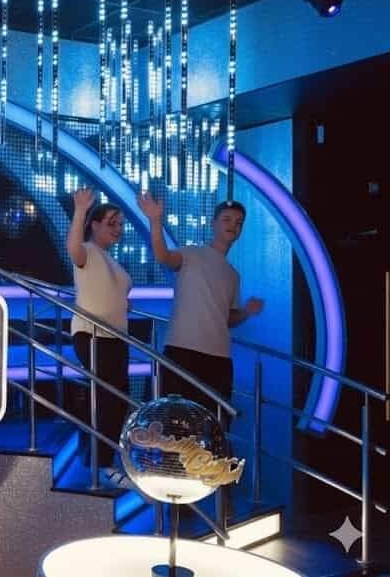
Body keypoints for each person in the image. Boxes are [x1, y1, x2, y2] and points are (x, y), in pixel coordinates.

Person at [137, 193, 264, 409]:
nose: (233, 226)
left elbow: (227, 318)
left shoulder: (233, 275)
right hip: (183, 350)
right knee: (177, 424)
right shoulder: (192, 253)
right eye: (227, 219)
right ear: (213, 223)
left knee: (214, 423)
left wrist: (246, 312)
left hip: (219, 358)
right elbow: (163, 256)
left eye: (238, 223)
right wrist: (155, 221)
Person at [66, 188, 132, 484]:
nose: (118, 229)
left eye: (120, 224)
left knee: (118, 399)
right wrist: (80, 210)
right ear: (95, 225)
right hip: (92, 334)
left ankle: (104, 459)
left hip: (116, 337)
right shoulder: (89, 253)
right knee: (109, 398)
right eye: (111, 223)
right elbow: (73, 249)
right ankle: (102, 465)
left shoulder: (111, 260)